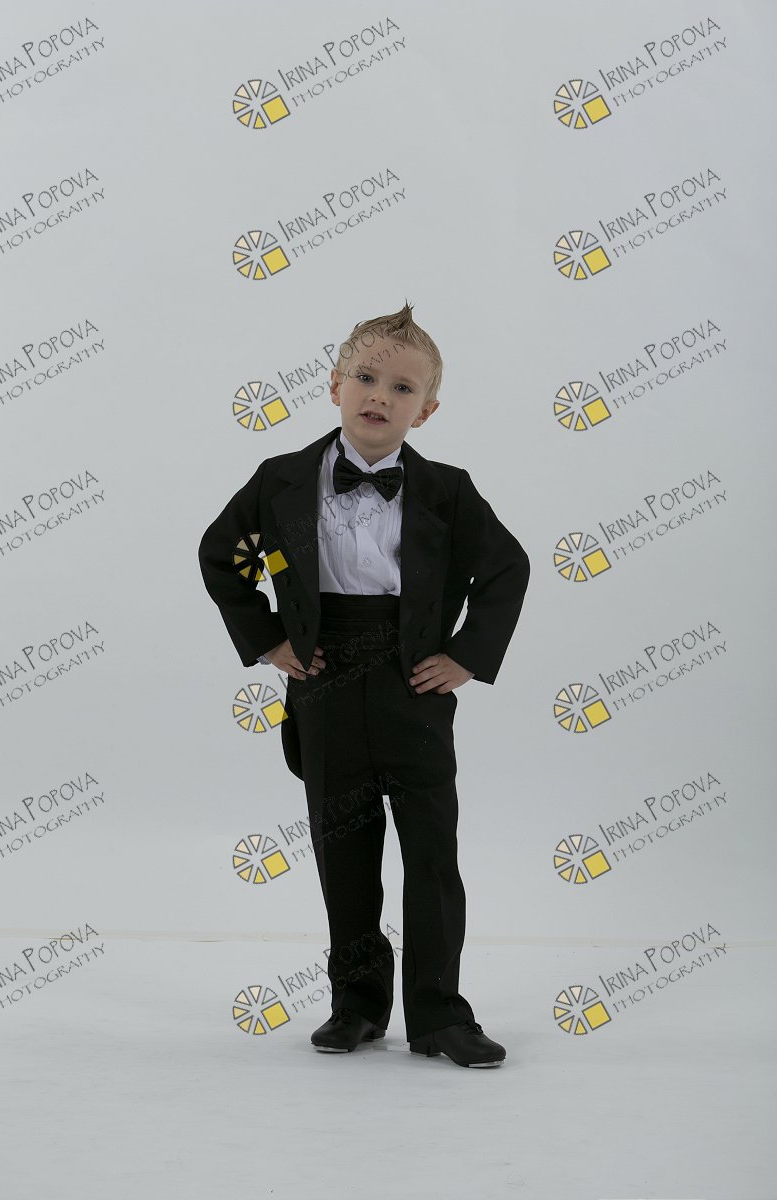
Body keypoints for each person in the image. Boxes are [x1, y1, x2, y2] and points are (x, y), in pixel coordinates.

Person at [197, 301, 530, 1068]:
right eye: (367, 378)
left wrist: (467, 656)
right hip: (324, 678)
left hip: (414, 680)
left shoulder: (448, 491)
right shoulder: (281, 481)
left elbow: (507, 568)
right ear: (335, 385)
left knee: (431, 852)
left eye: (403, 388)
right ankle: (356, 1005)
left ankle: (440, 1015)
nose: (381, 396)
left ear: (427, 409)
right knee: (343, 850)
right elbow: (223, 556)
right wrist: (268, 639)